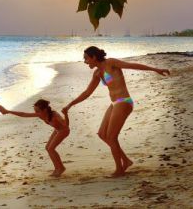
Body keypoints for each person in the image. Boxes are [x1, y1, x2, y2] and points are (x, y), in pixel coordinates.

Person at [62, 46, 170, 177]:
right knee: (102, 134)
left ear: (94, 57)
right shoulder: (97, 73)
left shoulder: (111, 63)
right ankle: (126, 161)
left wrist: (156, 69)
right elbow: (87, 93)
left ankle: (119, 169)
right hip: (114, 103)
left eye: (86, 58)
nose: (85, 62)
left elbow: (132, 66)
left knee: (111, 137)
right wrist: (70, 105)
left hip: (124, 101)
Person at [5, 99, 70, 176]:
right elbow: (24, 114)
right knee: (47, 148)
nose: (36, 113)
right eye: (35, 110)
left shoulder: (55, 115)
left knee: (51, 148)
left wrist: (66, 114)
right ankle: (58, 167)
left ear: (45, 109)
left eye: (37, 110)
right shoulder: (40, 114)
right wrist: (9, 111)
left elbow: (66, 125)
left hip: (64, 130)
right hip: (57, 130)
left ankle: (60, 168)